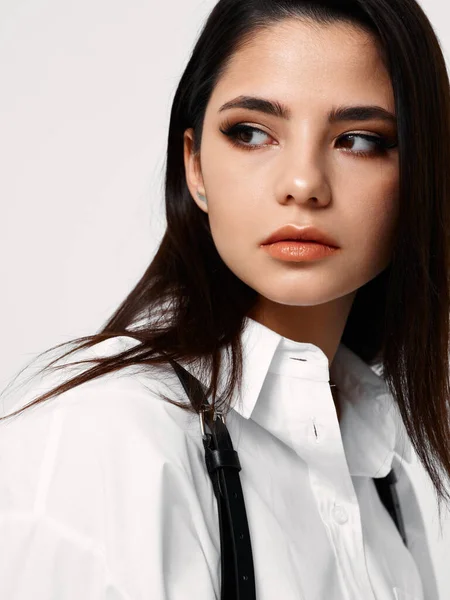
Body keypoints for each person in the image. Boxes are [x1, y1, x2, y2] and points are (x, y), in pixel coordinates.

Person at [1, 0, 449, 598]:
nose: (303, 184)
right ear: (195, 167)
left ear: (421, 175)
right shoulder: (104, 440)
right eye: (253, 132)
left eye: (360, 141)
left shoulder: (381, 472)